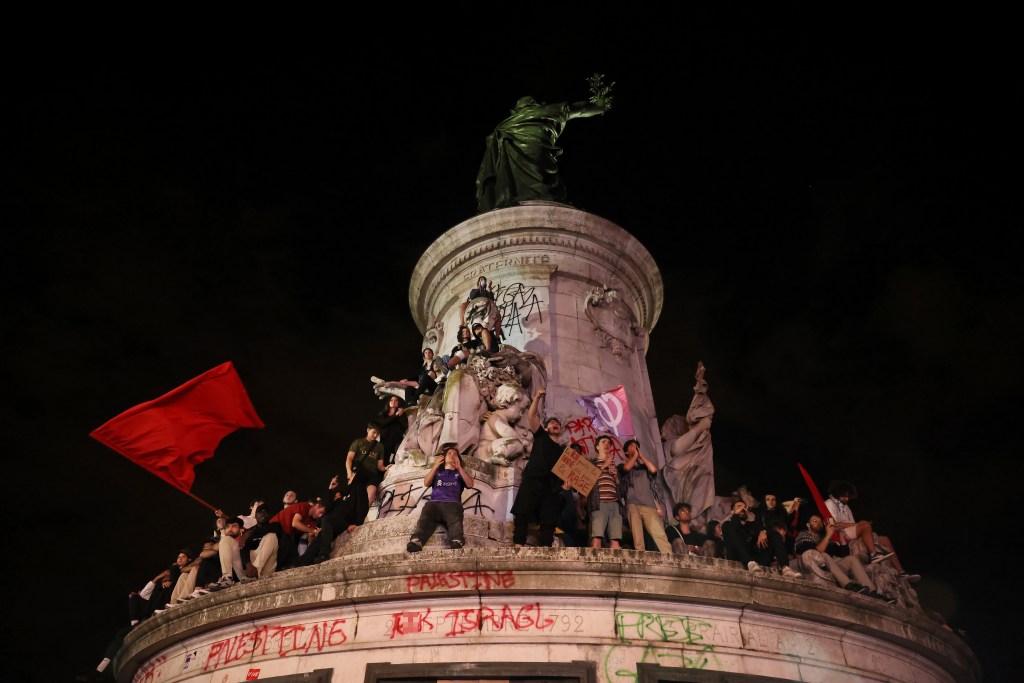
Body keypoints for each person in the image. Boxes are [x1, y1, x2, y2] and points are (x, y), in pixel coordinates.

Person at [476, 73, 613, 213]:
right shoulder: (546, 111)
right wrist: (599, 105)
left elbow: (490, 167)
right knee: (544, 184)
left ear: (515, 111)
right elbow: (580, 109)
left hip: (517, 173)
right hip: (542, 158)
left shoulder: (504, 127)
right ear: (535, 104)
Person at [825, 480, 918, 581]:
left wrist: (858, 524)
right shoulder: (829, 503)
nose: (847, 499)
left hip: (850, 531)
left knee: (884, 539)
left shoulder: (846, 507)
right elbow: (834, 525)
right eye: (844, 496)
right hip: (841, 535)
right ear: (837, 493)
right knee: (865, 526)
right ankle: (874, 555)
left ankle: (901, 573)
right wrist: (859, 524)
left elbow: (851, 524)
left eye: (848, 496)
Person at [794, 514, 895, 603]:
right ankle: (848, 585)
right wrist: (828, 535)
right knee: (824, 555)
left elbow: (843, 554)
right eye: (814, 521)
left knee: (851, 559)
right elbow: (814, 553)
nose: (818, 523)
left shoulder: (824, 538)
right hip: (812, 566)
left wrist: (840, 533)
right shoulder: (804, 535)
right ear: (808, 525)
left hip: (831, 567)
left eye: (820, 521)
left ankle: (873, 592)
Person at [510, 388, 565, 547]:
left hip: (551, 487)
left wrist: (565, 484)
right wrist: (537, 397)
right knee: (522, 512)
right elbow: (531, 416)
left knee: (549, 519)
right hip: (533, 480)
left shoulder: (563, 452)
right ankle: (518, 544)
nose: (556, 424)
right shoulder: (541, 436)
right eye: (552, 423)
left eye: (558, 424)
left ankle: (546, 548)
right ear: (546, 428)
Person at [407, 443, 476, 552]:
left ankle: (456, 540)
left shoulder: (460, 473)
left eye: (455, 454)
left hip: (452, 503)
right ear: (444, 457)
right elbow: (426, 482)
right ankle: (417, 541)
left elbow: (470, 484)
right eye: (449, 453)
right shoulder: (438, 471)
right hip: (434, 503)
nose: (452, 455)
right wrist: (435, 466)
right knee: (425, 517)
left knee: (455, 519)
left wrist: (459, 468)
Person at [722, 500, 801, 577]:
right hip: (737, 557)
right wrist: (735, 515)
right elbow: (735, 530)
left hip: (756, 560)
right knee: (730, 527)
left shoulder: (751, 525)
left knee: (774, 534)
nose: (743, 508)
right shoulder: (727, 525)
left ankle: (785, 568)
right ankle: (749, 562)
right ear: (732, 511)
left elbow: (763, 526)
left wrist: (763, 532)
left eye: (744, 507)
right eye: (739, 506)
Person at [620, 438, 672, 553]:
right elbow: (627, 468)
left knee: (659, 533)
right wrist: (634, 456)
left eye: (636, 445)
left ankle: (669, 555)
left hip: (648, 504)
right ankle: (640, 555)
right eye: (631, 446)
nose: (634, 447)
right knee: (637, 536)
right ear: (626, 452)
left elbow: (653, 470)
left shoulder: (645, 467)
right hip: (632, 504)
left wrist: (641, 456)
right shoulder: (623, 466)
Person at [587, 434, 623, 549]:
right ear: (597, 447)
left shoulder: (614, 466)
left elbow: (620, 488)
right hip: (599, 503)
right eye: (603, 442)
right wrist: (604, 465)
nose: (606, 444)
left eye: (608, 442)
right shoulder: (592, 463)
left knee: (615, 539)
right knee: (597, 537)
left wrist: (616, 476)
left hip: (614, 503)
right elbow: (587, 480)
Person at [346, 422, 389, 508]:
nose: (375, 435)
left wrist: (386, 468)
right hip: (359, 472)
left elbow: (380, 466)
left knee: (372, 492)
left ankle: (362, 515)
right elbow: (349, 459)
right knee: (354, 496)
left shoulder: (380, 446)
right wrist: (349, 472)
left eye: (377, 433)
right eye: (373, 432)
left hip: (372, 474)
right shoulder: (358, 442)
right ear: (368, 430)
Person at [376, 396, 408, 465]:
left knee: (398, 459)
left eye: (396, 400)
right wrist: (395, 416)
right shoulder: (383, 414)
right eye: (391, 400)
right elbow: (382, 424)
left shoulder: (401, 414)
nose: (393, 402)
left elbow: (404, 426)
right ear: (388, 402)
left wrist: (401, 416)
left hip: (397, 440)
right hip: (385, 441)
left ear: (398, 403)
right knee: (384, 461)